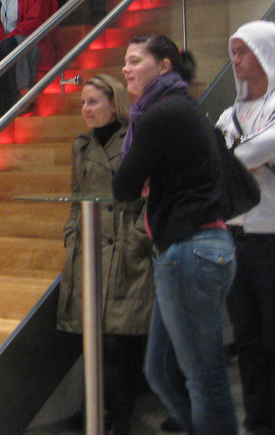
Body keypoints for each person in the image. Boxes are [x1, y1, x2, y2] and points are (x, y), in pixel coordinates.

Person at [112, 34, 238, 435]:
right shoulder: (181, 109)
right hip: (194, 248)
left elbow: (123, 187)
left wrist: (142, 176)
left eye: (135, 61)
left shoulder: (160, 114)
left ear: (164, 66)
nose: (126, 69)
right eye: (125, 62)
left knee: (203, 377)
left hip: (190, 250)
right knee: (162, 371)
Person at [56, 75, 153, 435]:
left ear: (114, 104)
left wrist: (139, 238)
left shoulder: (135, 137)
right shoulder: (80, 145)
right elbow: (75, 194)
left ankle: (119, 418)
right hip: (91, 245)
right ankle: (99, 409)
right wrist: (71, 235)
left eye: (94, 101)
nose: (86, 109)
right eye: (83, 102)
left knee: (121, 341)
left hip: (126, 246)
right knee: (95, 338)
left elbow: (151, 192)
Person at [217, 21, 275, 435]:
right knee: (247, 336)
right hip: (234, 234)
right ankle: (257, 418)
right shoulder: (227, 113)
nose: (235, 61)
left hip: (271, 234)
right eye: (233, 52)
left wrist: (235, 155)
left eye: (243, 51)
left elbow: (250, 154)